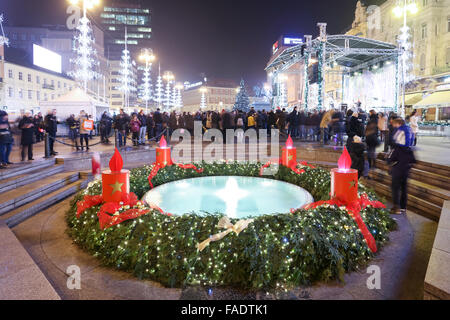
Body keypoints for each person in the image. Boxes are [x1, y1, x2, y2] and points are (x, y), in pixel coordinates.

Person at [387, 117, 416, 214]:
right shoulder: (409, 131)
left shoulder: (400, 133)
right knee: (404, 187)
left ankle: (396, 208)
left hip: (398, 167)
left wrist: (389, 161)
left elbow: (394, 144)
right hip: (406, 166)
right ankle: (403, 207)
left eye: (395, 124)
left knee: (395, 187)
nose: (394, 126)